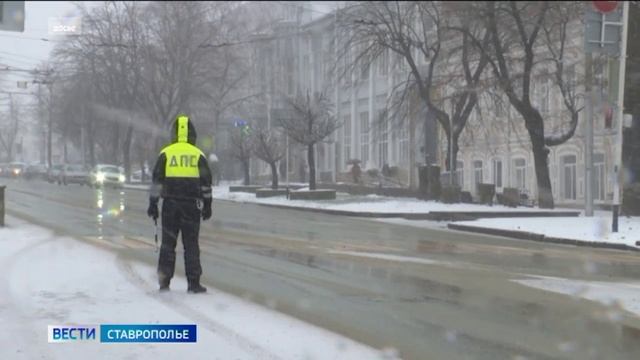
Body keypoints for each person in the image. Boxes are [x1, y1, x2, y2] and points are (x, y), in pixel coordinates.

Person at [147, 114, 213, 293]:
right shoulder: (198, 155)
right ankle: (193, 283)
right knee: (191, 245)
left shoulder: (166, 154)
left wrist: (153, 205)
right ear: (192, 134)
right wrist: (207, 205)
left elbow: (156, 182)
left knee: (168, 244)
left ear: (174, 134)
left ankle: (164, 281)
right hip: (192, 206)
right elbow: (206, 184)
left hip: (170, 205)